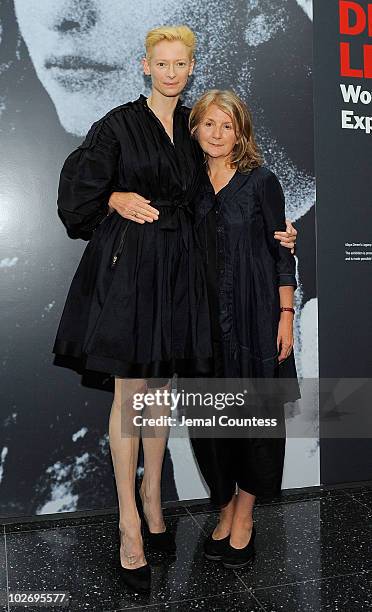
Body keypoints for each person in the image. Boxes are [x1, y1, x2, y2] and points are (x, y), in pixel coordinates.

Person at [52, 26, 297, 591]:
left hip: (182, 278)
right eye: (160, 62)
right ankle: (130, 526)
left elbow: (225, 198)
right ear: (145, 65)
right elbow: (76, 191)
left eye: (179, 63)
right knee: (130, 398)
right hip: (133, 276)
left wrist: (278, 238)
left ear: (190, 68)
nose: (169, 72)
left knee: (160, 396)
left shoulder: (192, 132)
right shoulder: (117, 124)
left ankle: (155, 505)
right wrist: (112, 195)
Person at [188, 89, 300, 568]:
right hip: (201, 326)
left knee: (255, 425)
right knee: (211, 430)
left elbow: (282, 252)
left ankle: (245, 518)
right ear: (194, 129)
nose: (217, 134)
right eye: (208, 124)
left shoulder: (262, 181)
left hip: (256, 321)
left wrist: (286, 315)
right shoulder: (185, 185)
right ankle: (226, 507)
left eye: (227, 125)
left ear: (241, 132)